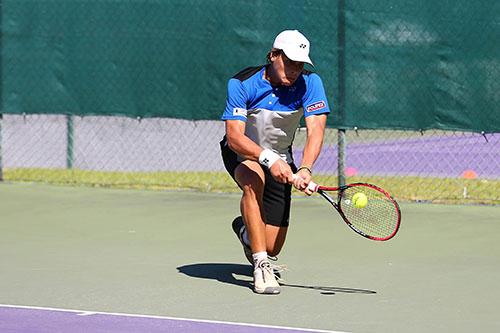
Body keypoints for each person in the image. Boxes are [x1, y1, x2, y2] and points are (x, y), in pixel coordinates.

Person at [220, 30, 330, 294]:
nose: (294, 69)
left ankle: (247, 233)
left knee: (272, 245)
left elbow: (316, 131)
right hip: (243, 152)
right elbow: (234, 137)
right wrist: (267, 158)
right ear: (273, 55)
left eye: (300, 64)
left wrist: (304, 168)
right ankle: (261, 266)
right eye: (289, 61)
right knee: (253, 179)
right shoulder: (242, 83)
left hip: (283, 157)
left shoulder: (311, 83)